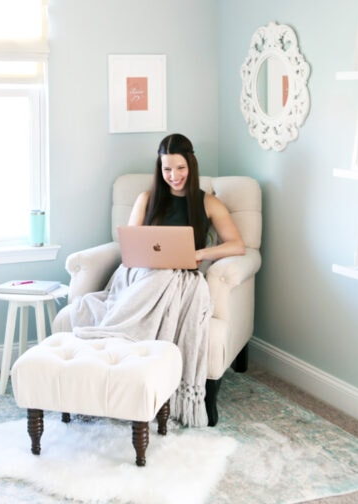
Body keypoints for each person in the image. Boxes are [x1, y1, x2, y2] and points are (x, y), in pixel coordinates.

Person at [69, 134, 245, 427]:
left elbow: (236, 245)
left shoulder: (208, 202)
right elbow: (130, 243)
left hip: (180, 276)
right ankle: (116, 348)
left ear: (191, 164)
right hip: (140, 273)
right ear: (159, 169)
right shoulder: (146, 198)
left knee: (166, 275)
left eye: (180, 168)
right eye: (167, 169)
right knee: (148, 276)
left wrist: (199, 252)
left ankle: (113, 337)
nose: (174, 176)